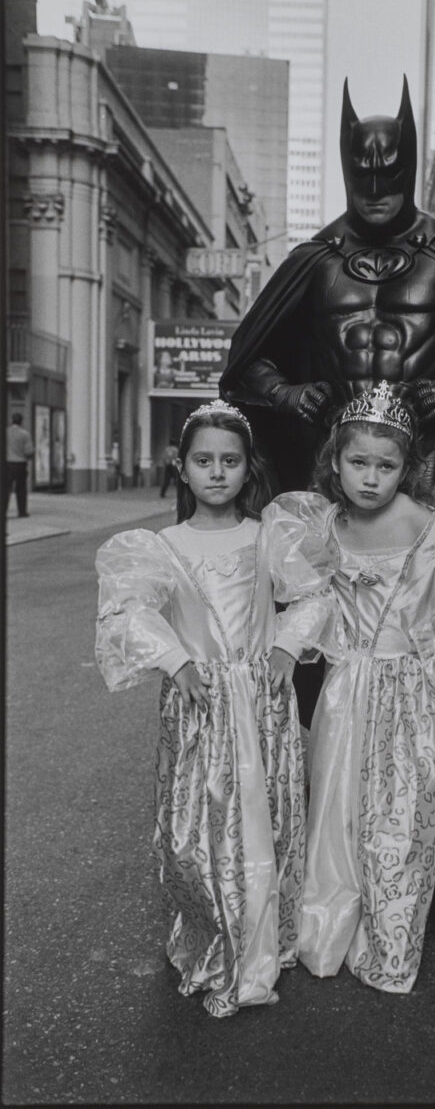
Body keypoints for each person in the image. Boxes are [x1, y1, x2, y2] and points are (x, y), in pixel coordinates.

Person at [220, 77, 435, 515]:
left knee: (429, 575)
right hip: (335, 459)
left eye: (390, 172)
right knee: (322, 576)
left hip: (427, 460)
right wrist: (284, 392)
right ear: (348, 169)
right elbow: (246, 358)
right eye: (364, 173)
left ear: (409, 167)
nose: (377, 187)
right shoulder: (316, 260)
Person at [94, 399, 332, 1018]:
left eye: (230, 461)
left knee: (263, 816)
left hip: (259, 702)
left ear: (249, 469)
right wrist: (176, 660)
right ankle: (212, 932)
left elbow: (313, 596)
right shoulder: (161, 545)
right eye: (204, 460)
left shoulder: (266, 538)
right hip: (199, 706)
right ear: (183, 467)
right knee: (201, 826)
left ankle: (258, 941)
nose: (218, 472)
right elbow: (128, 611)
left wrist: (284, 645)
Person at [272, 382, 435, 993]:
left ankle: (391, 935)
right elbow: (309, 601)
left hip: (412, 691)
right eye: (358, 463)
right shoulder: (319, 524)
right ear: (335, 461)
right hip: (346, 687)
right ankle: (327, 923)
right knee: (336, 803)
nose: (371, 479)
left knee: (403, 812)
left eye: (387, 465)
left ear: (409, 467)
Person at [5, 412, 34, 517]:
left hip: (7, 463)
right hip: (20, 464)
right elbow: (29, 451)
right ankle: (22, 512)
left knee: (5, 489)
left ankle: (3, 511)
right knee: (21, 489)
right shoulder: (25, 434)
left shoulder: (5, 432)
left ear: (12, 420)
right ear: (21, 421)